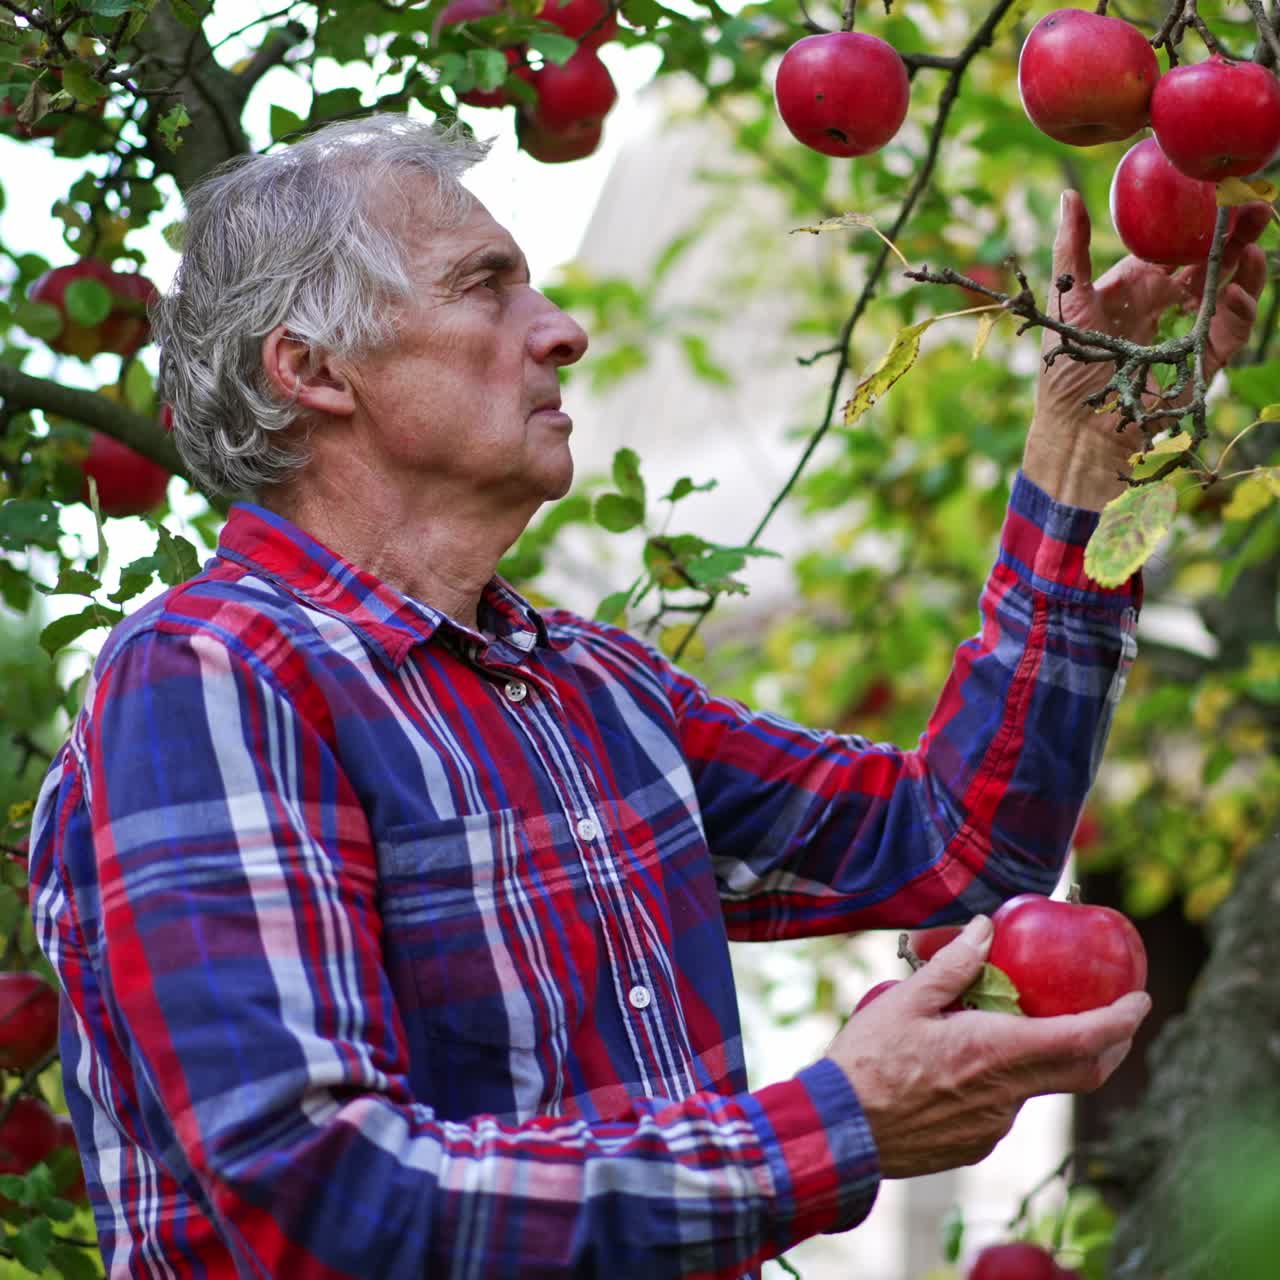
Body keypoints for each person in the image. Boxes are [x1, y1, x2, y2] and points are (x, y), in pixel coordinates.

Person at [27, 114, 1265, 1278]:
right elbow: (315, 1188)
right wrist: (826, 1125)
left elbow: (956, 841)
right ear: (312, 368)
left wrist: (1083, 457)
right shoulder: (215, 680)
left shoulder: (592, 690)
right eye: (484, 285)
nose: (561, 327)